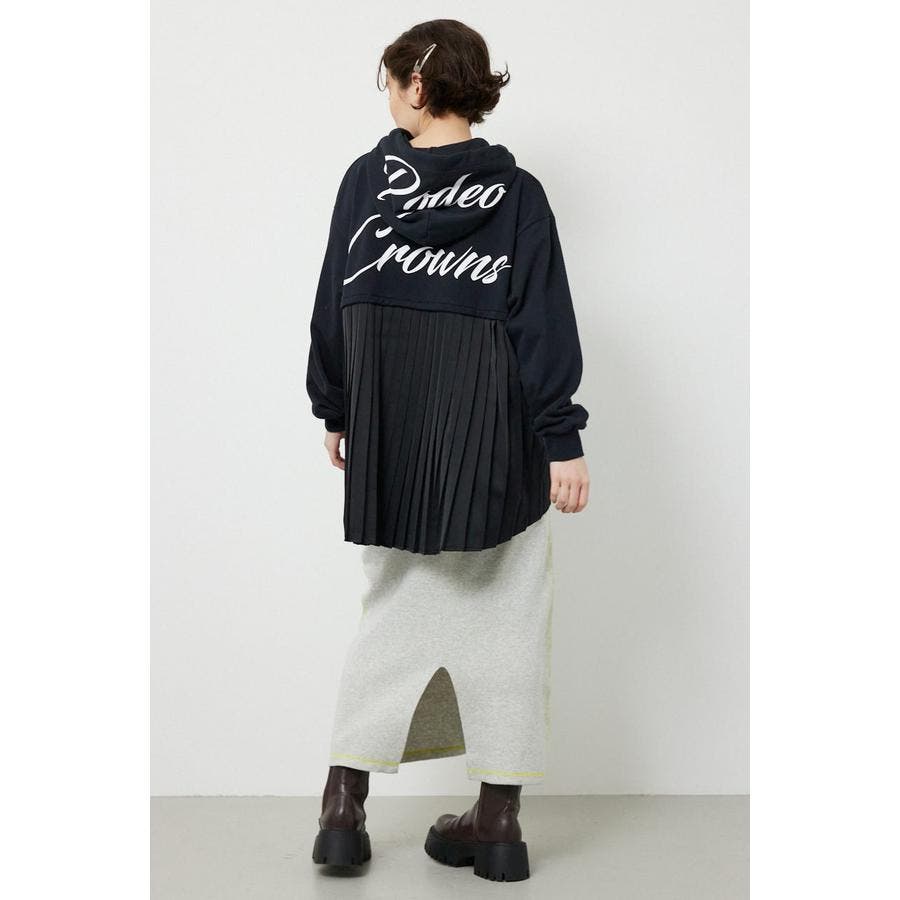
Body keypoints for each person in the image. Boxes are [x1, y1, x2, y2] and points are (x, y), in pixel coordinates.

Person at [306, 19, 590, 882]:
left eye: (391, 83)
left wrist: (336, 406)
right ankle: (498, 821)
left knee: (391, 612)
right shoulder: (519, 195)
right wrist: (561, 439)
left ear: (419, 86)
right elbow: (540, 321)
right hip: (492, 442)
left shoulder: (366, 183)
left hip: (392, 433)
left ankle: (343, 807)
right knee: (508, 619)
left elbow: (333, 303)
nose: (389, 99)